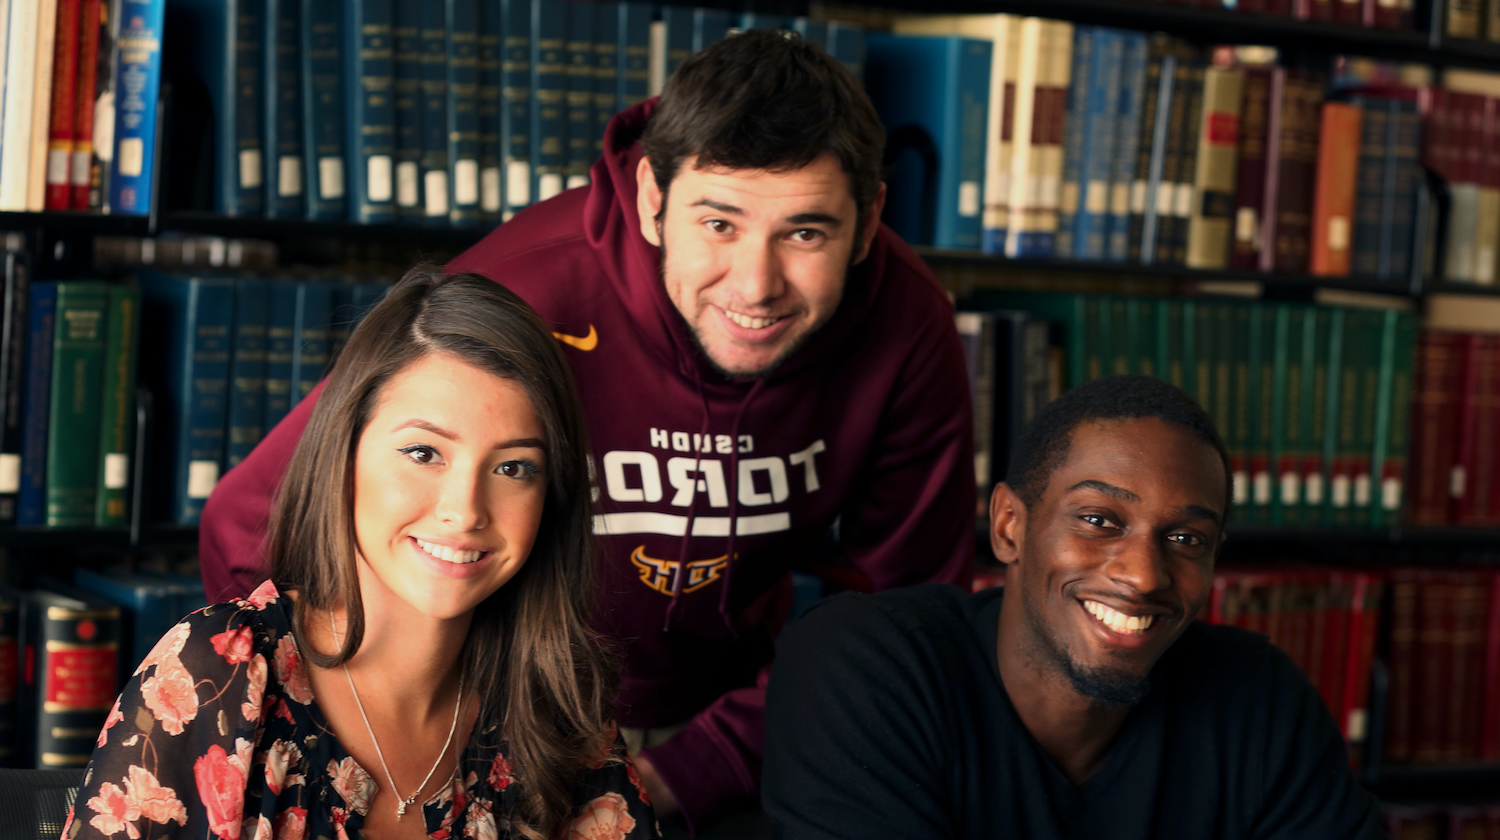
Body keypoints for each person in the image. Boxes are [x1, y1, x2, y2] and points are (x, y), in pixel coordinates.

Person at [198, 28, 975, 836]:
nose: (757, 283)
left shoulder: (910, 324)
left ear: (871, 216)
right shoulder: (526, 288)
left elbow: (908, 615)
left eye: (805, 233)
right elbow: (249, 522)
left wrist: (676, 775)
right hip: (491, 725)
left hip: (736, 731)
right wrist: (347, 744)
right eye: (718, 224)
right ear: (651, 197)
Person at [67, 270, 657, 840]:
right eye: (424, 453)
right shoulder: (219, 672)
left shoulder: (556, 707)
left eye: (512, 468)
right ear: (343, 457)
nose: (465, 510)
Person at [763, 375, 1386, 839]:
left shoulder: (1258, 696)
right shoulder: (864, 667)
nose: (1143, 576)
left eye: (1186, 539)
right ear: (1009, 526)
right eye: (1097, 520)